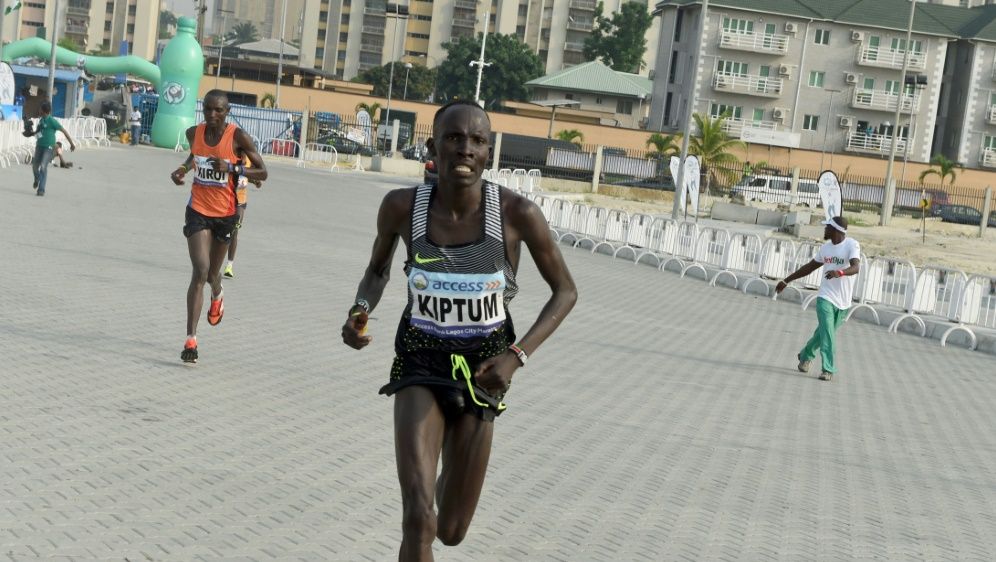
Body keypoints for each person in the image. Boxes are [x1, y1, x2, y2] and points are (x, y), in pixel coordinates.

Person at [341, 100, 578, 560]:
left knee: (450, 530)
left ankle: (448, 473)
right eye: (453, 138)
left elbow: (565, 291)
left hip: (484, 374)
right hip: (419, 362)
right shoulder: (401, 207)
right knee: (418, 519)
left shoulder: (517, 214)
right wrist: (360, 309)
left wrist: (515, 357)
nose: (464, 149)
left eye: (477, 141)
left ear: (489, 153)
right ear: (433, 147)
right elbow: (376, 270)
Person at [169, 90, 267, 363]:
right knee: (199, 271)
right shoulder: (194, 133)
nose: (212, 115)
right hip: (198, 210)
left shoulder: (238, 137)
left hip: (225, 214)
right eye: (208, 109)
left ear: (227, 111)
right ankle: (191, 340)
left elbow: (263, 172)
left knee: (213, 274)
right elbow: (195, 155)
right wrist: (182, 169)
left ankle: (218, 292)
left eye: (218, 110)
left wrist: (233, 169)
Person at [776, 216, 861, 381]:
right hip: (825, 297)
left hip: (844, 302)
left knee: (823, 334)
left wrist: (840, 272)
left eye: (827, 227)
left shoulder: (851, 244)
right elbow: (809, 267)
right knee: (828, 334)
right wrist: (786, 280)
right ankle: (828, 369)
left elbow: (856, 267)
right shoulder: (826, 249)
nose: (824, 230)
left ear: (835, 230)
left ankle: (806, 355)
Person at [223, 155, 262, 279]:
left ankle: (229, 266)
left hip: (240, 199)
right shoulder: (232, 155)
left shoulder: (250, 158)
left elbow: (246, 175)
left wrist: (255, 180)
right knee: (223, 231)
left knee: (235, 230)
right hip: (225, 199)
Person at [27, 101, 76, 196]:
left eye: (40, 108)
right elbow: (39, 134)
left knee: (43, 166)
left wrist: (71, 144)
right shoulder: (41, 120)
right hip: (39, 146)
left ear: (44, 111)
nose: (39, 110)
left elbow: (64, 131)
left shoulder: (52, 121)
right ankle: (37, 178)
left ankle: (41, 190)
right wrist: (30, 134)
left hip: (48, 148)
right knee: (35, 166)